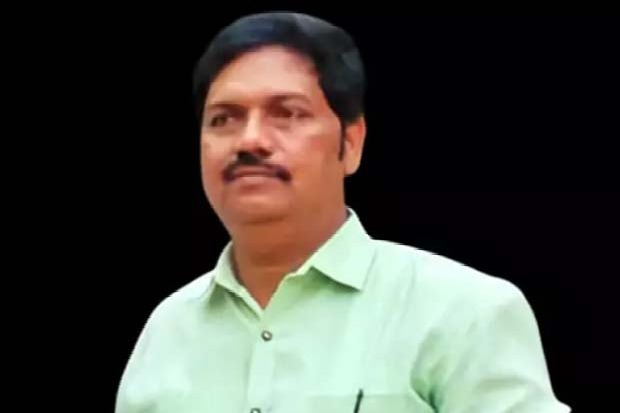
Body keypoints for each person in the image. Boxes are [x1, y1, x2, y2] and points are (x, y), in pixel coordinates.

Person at [115, 12, 571, 412]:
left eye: (286, 113)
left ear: (351, 143)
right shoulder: (167, 331)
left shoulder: (462, 311)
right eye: (224, 118)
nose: (250, 139)